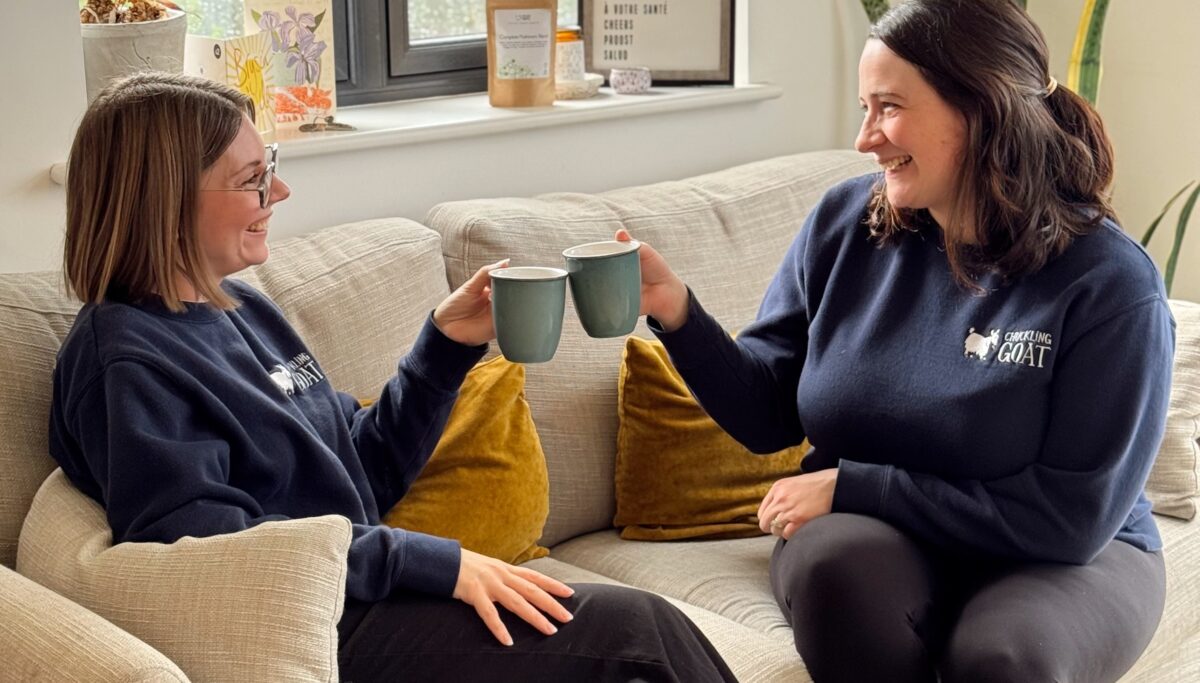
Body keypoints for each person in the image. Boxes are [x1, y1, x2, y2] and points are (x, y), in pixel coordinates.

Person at [49, 72, 735, 683]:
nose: (279, 191)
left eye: (273, 166)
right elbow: (214, 556)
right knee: (636, 634)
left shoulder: (241, 306)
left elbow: (362, 473)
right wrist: (434, 563)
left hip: (363, 594)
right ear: (163, 198)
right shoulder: (127, 363)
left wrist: (443, 345)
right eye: (252, 176)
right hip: (321, 630)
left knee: (639, 629)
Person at [620, 1, 1173, 681]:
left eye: (887, 107)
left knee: (1001, 660)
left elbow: (1069, 519)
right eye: (865, 107)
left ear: (980, 108)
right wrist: (676, 312)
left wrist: (858, 485)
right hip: (875, 538)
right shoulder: (845, 224)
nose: (865, 138)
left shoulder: (1109, 282)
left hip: (1059, 551)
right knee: (833, 575)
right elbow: (767, 414)